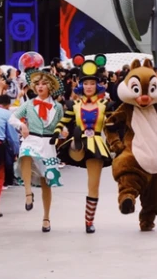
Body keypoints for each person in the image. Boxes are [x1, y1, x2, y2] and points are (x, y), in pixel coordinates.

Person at [56, 55, 113, 233]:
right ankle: (77, 143)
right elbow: (63, 121)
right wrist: (57, 132)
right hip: (79, 141)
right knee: (76, 147)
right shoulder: (74, 104)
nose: (89, 86)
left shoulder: (106, 104)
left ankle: (89, 221)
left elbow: (112, 125)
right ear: (81, 85)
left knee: (93, 185)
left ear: (97, 85)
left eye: (92, 83)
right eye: (86, 83)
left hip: (96, 143)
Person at [9, 67, 65, 232]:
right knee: (25, 156)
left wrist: (63, 131)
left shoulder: (58, 107)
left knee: (46, 182)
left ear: (50, 87)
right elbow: (12, 117)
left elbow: (61, 126)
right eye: (37, 84)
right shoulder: (28, 104)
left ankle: (46, 218)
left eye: (43, 84)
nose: (40, 87)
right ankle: (28, 193)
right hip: (31, 139)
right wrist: (21, 125)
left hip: (48, 144)